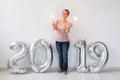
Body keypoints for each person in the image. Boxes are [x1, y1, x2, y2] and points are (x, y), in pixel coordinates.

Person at [52, 9, 72, 75]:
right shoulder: (57, 21)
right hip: (57, 41)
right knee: (60, 56)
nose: (64, 14)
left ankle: (65, 69)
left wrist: (68, 27)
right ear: (62, 14)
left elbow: (67, 32)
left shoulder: (68, 23)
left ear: (67, 15)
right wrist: (54, 26)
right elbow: (54, 29)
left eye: (66, 13)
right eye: (63, 13)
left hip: (65, 42)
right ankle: (61, 68)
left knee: (64, 56)